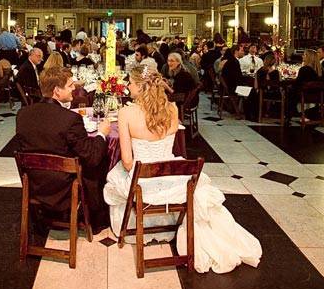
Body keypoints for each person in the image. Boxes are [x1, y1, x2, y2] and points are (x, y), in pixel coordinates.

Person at [103, 66, 261, 273]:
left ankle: (129, 227)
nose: (127, 86)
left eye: (130, 83)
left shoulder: (126, 113)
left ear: (140, 87)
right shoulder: (172, 109)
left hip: (143, 183)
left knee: (114, 177)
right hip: (174, 179)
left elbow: (126, 161)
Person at [16, 66, 111, 230]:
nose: (74, 88)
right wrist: (102, 134)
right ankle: (96, 216)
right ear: (56, 91)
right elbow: (93, 157)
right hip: (64, 188)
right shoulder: (70, 119)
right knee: (101, 160)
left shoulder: (23, 114)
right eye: (70, 85)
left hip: (33, 184)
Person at [287, 49, 323, 120]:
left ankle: (288, 114)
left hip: (304, 94)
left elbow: (297, 83)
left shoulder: (305, 69)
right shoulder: (319, 69)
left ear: (308, 57)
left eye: (304, 55)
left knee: (287, 91)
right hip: (316, 94)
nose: (302, 56)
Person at [220, 44, 246, 117]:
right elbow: (237, 77)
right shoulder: (234, 62)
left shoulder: (231, 60)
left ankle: (235, 109)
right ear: (236, 51)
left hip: (227, 85)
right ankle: (244, 111)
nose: (243, 52)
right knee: (252, 91)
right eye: (242, 50)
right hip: (232, 87)